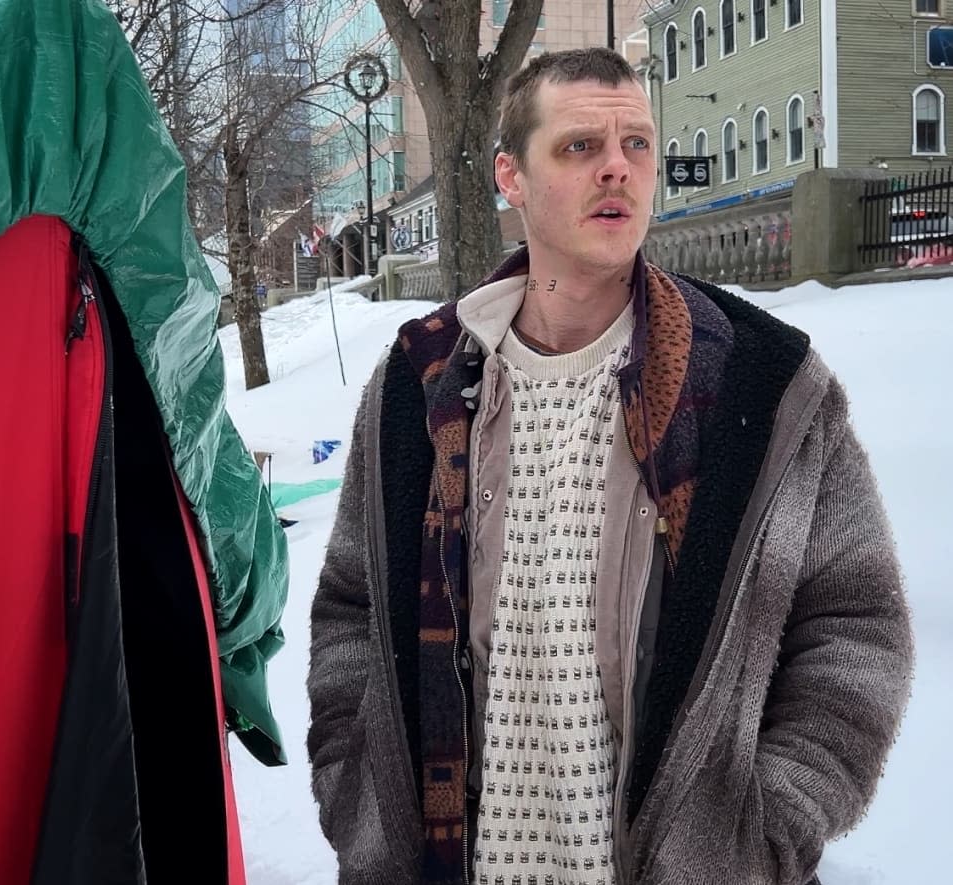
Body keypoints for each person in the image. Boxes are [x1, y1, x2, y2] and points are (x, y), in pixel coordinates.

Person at [307, 47, 913, 885]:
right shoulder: (423, 380)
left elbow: (855, 621)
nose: (617, 170)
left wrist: (761, 827)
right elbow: (350, 607)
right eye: (579, 147)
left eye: (636, 144)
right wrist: (359, 796)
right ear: (510, 177)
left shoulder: (757, 381)